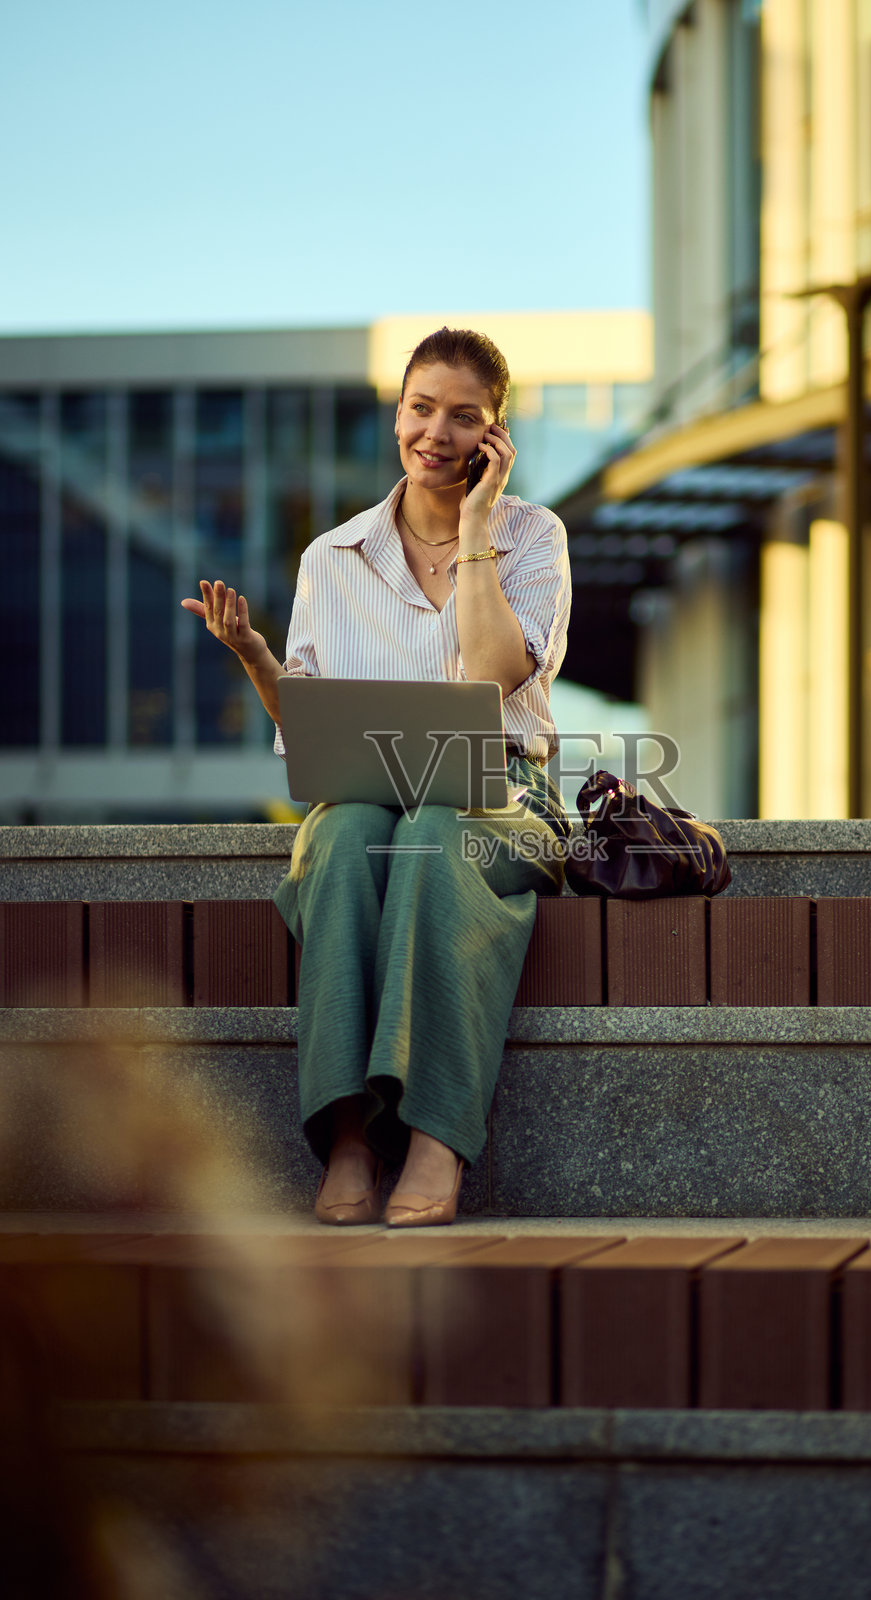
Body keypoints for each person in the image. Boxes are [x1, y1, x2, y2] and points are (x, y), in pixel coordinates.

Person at [182, 327, 571, 1227]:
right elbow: (311, 727)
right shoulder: (333, 556)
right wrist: (252, 655)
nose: (436, 432)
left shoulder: (532, 537)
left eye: (463, 417)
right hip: (370, 798)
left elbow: (492, 674)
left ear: (495, 437)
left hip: (501, 800)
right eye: (421, 408)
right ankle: (351, 1137)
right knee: (347, 831)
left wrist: (476, 532)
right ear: (396, 413)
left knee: (434, 833)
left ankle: (436, 1138)